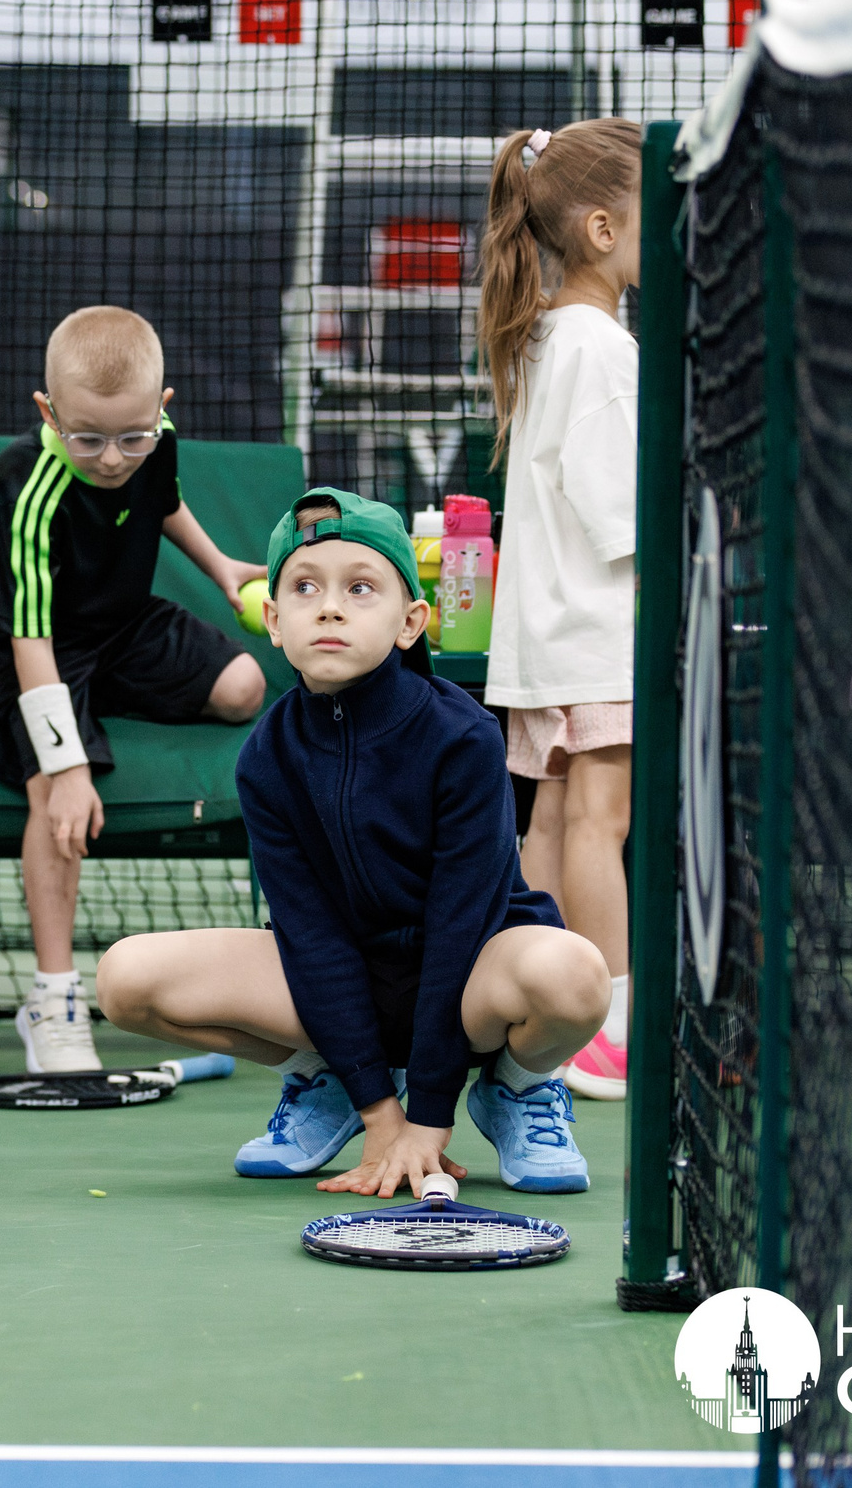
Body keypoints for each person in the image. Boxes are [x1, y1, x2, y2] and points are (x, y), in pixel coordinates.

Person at [96, 490, 610, 1193]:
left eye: (360, 588)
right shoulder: (266, 757)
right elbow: (310, 935)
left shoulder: (464, 737)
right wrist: (378, 1110)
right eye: (305, 588)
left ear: (411, 622)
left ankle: (516, 1088)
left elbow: (461, 926)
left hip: (471, 978)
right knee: (126, 981)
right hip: (342, 986)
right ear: (274, 621)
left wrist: (426, 1120)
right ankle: (327, 1082)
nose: (330, 607)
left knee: (575, 974)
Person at [0, 306, 268, 1072]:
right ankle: (53, 997)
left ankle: (90, 714)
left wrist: (223, 567)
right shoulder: (21, 488)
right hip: (30, 644)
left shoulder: (151, 446)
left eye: (133, 436)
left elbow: (164, 503)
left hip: (120, 624)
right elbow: (29, 639)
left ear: (160, 409)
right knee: (57, 809)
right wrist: (64, 767)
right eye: (87, 437)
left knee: (244, 687)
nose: (113, 457)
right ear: (48, 413)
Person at [478, 120, 644, 1103]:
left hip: (546, 641)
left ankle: (529, 1013)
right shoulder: (599, 347)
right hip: (595, 637)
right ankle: (600, 1026)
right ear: (596, 228)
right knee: (596, 821)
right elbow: (616, 507)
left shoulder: (547, 333)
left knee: (547, 826)